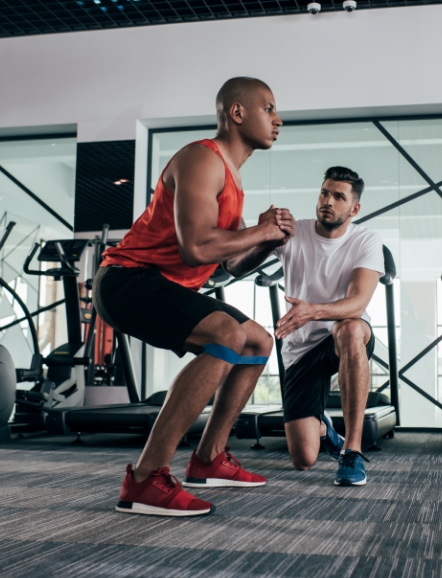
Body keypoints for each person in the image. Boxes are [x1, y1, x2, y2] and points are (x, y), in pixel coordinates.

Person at [93, 77, 296, 517]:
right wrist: (258, 230)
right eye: (270, 109)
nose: (278, 121)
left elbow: (226, 266)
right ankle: (145, 479)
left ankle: (210, 459)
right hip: (126, 279)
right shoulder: (202, 158)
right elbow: (197, 248)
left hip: (159, 285)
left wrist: (265, 243)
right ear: (237, 112)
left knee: (257, 340)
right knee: (225, 333)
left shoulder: (232, 178)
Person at [273, 167, 384, 486]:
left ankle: (352, 450)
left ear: (354, 208)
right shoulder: (295, 232)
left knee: (349, 327)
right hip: (300, 350)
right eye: (324, 193)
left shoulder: (366, 239)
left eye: (339, 196)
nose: (328, 201)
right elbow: (246, 254)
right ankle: (325, 430)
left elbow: (358, 303)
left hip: (346, 336)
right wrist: (264, 229)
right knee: (304, 459)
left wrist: (311, 311)